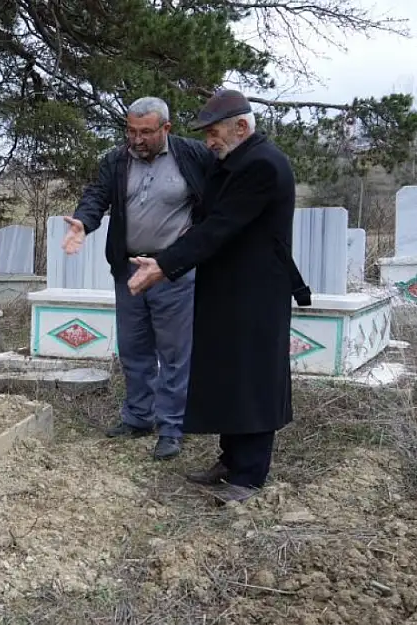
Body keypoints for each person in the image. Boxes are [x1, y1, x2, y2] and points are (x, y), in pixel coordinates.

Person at [127, 89, 312, 504]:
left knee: (252, 380)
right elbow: (206, 222)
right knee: (230, 375)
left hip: (256, 292)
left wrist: (163, 265)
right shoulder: (236, 161)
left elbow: (220, 227)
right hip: (231, 288)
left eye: (213, 133)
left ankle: (249, 477)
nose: (208, 142)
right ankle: (230, 460)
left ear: (241, 127)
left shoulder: (262, 165)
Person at [63, 96, 214, 460]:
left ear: (166, 129)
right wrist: (83, 222)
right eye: (130, 131)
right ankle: (138, 417)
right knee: (134, 349)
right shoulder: (116, 160)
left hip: (172, 270)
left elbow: (218, 200)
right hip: (129, 269)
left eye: (145, 132)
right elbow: (97, 196)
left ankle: (172, 427)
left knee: (175, 353)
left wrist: (198, 241)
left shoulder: (192, 156)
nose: (136, 139)